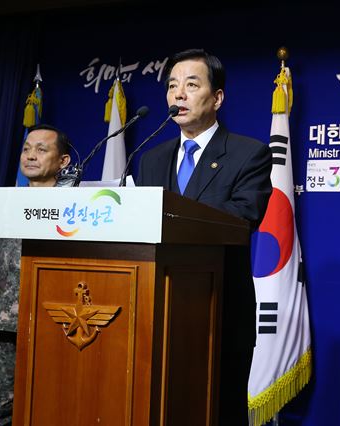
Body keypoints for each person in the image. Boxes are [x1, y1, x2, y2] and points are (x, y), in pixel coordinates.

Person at [136, 48, 272, 425]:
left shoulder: (249, 154)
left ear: (217, 98)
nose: (178, 94)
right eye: (172, 86)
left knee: (217, 412)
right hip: (155, 312)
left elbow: (243, 218)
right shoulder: (151, 159)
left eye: (191, 85)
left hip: (219, 311)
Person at [0, 124, 71, 425]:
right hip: (6, 324)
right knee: (5, 409)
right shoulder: (11, 202)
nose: (31, 156)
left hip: (51, 326)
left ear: (63, 161)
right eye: (26, 149)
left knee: (49, 404)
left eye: (42, 149)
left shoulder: (74, 207)